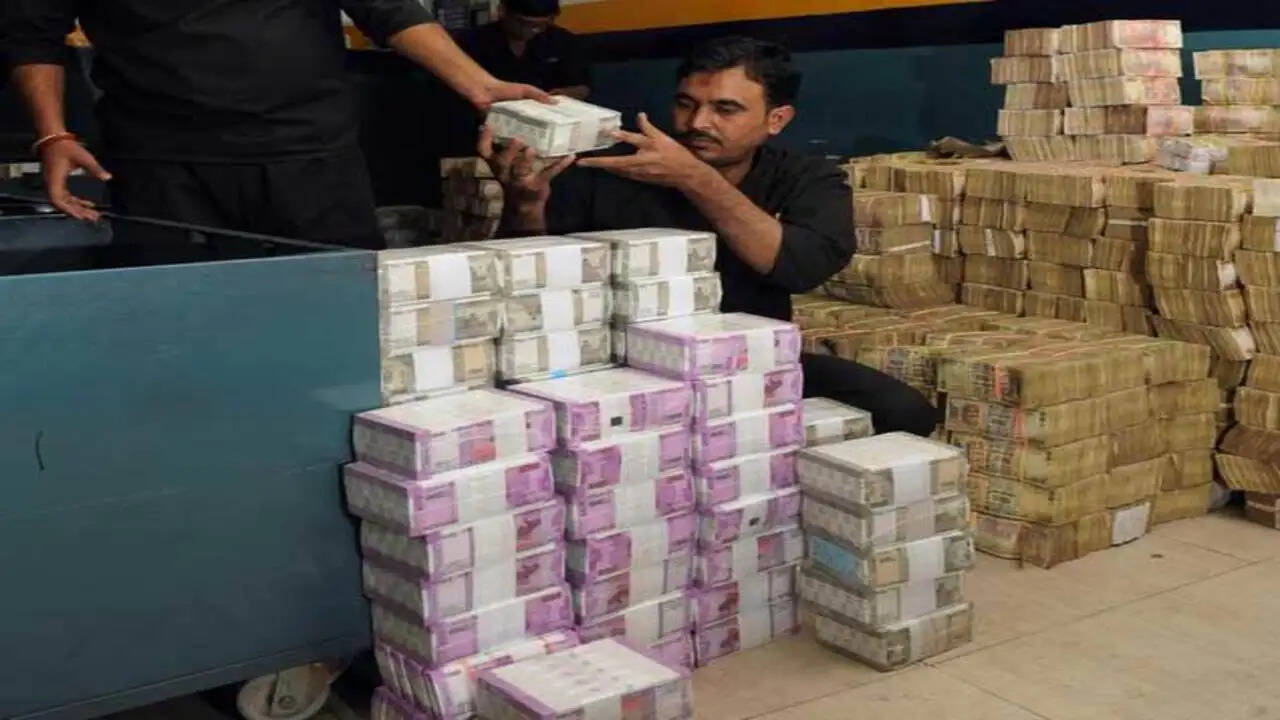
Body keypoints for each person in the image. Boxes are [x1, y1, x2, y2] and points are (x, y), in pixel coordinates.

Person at [478, 35, 940, 436]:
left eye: (725, 109)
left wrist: (694, 178)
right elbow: (531, 283)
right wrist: (525, 203)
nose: (698, 123)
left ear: (776, 120)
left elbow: (801, 266)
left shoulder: (807, 178)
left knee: (904, 411)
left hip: (746, 362)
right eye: (686, 104)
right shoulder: (610, 167)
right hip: (618, 364)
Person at [0, 1, 551, 247]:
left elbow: (385, 7)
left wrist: (477, 84)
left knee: (337, 312)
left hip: (308, 153)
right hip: (162, 163)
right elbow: (31, 32)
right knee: (178, 322)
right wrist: (53, 134)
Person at [464, 0, 591, 100]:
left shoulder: (563, 41)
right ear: (502, 11)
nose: (533, 30)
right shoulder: (472, 42)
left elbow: (583, 87)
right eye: (523, 23)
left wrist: (569, 93)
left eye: (541, 25)